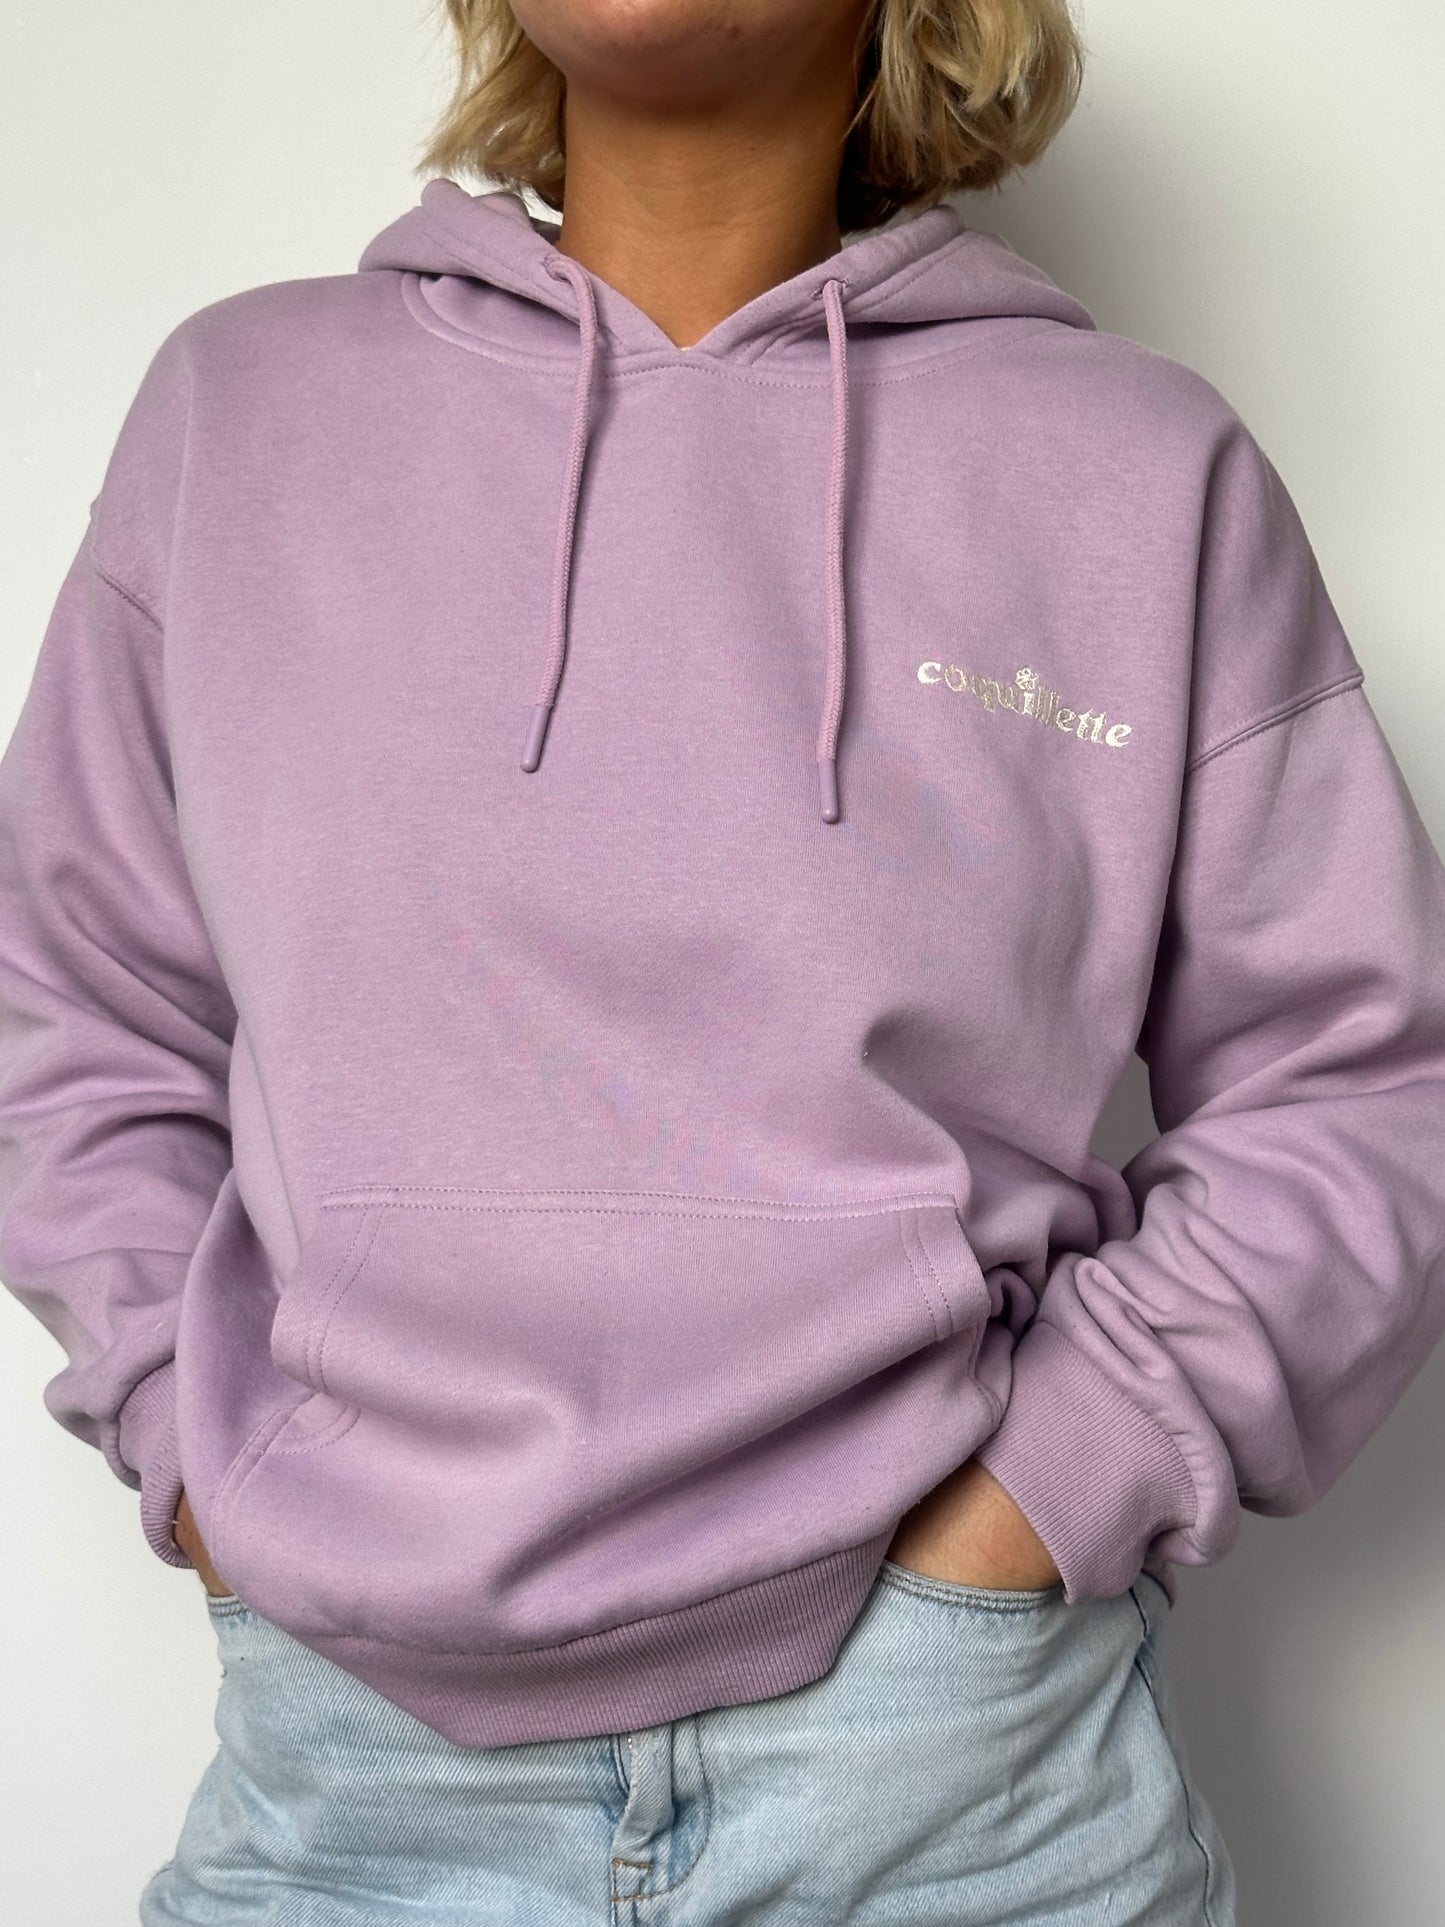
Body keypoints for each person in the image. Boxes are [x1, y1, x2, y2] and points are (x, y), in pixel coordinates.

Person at [3, 0, 1442, 1918]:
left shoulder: (1134, 466)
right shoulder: (242, 415)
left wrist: (1060, 1484)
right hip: (354, 1768)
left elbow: (1359, 1075)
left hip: (954, 1777)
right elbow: (67, 1003)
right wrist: (193, 1441)